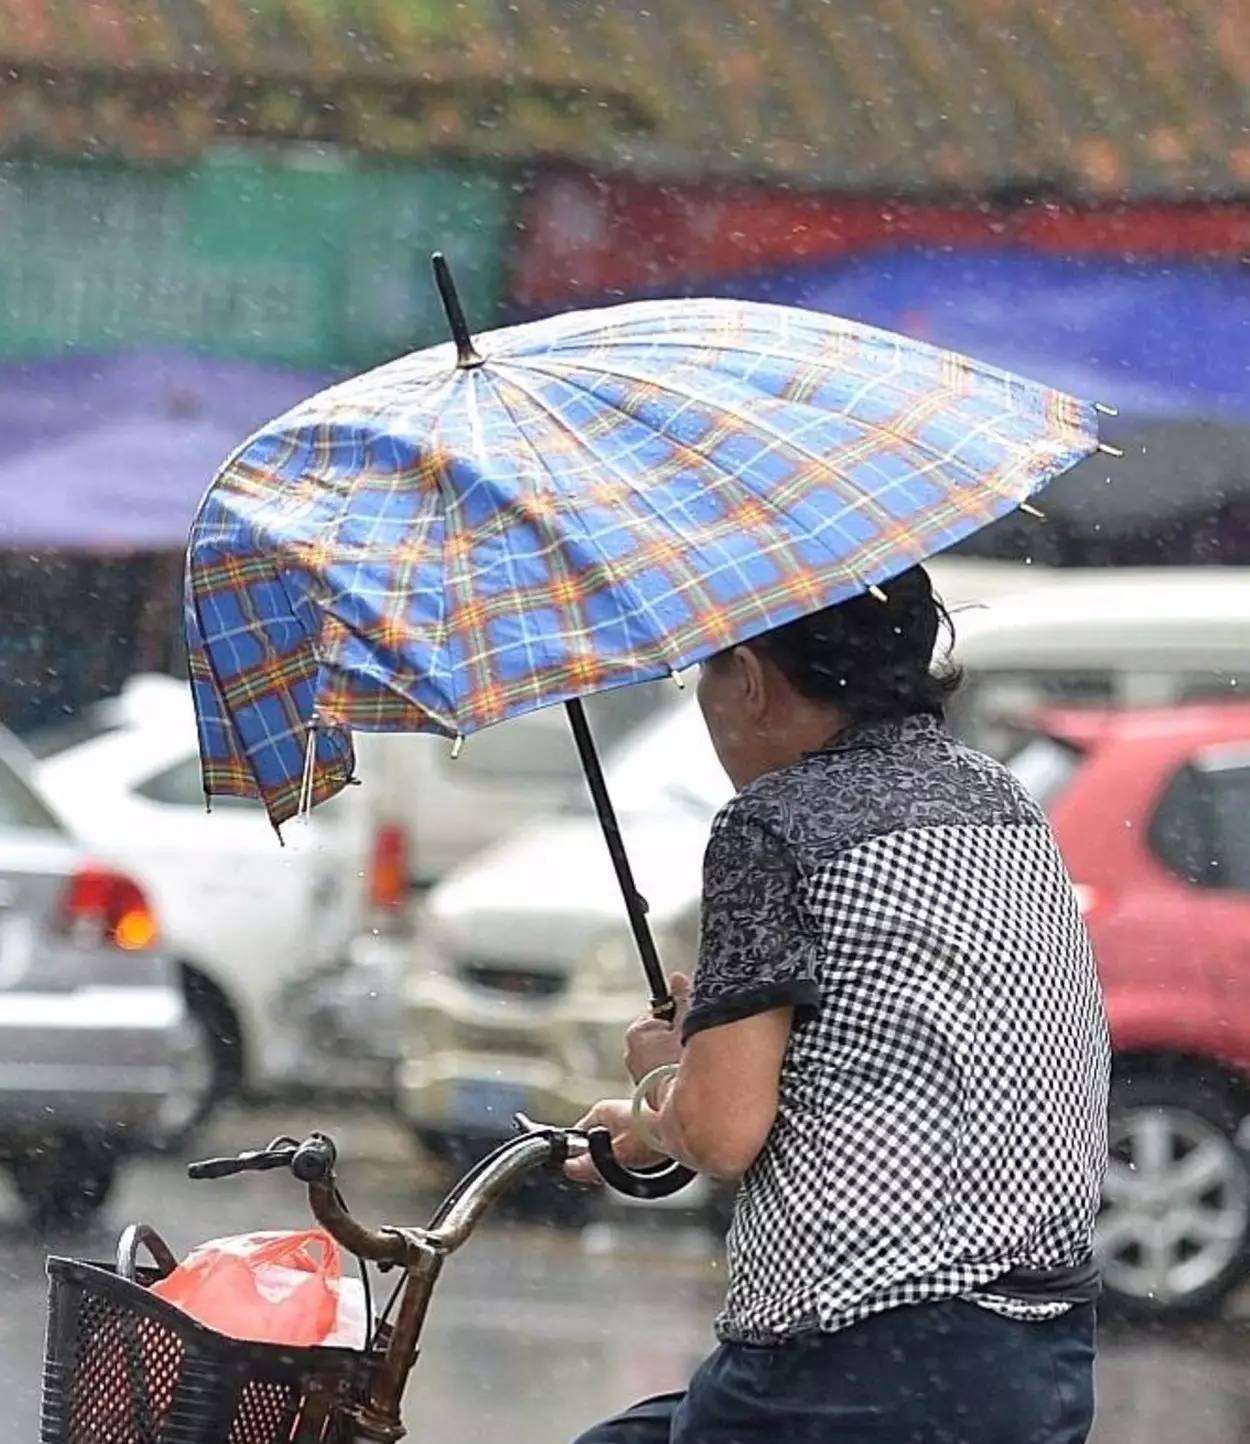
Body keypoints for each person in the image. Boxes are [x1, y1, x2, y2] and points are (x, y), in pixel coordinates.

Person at [565, 565, 1109, 1444]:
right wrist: (665, 1107)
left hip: (854, 1361)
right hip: (1035, 1357)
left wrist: (665, 1080)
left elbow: (722, 1132)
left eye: (704, 670)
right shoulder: (1000, 797)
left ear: (747, 676)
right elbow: (901, 1053)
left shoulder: (772, 824)